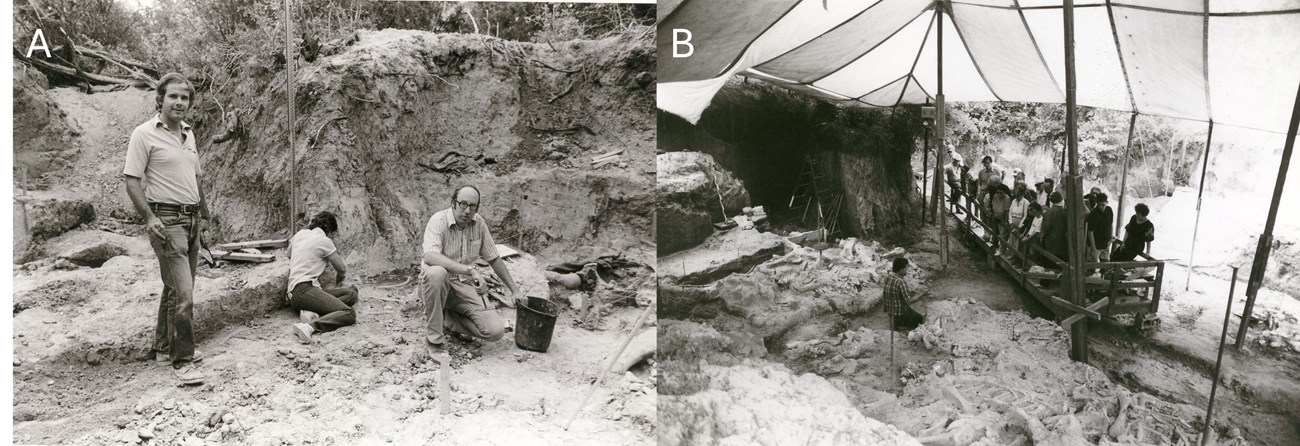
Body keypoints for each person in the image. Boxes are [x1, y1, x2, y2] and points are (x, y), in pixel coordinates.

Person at [123, 73, 209, 385]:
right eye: (173, 96)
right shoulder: (144, 134)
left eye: (184, 98)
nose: (179, 102)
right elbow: (132, 180)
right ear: (160, 99)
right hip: (167, 221)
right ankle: (182, 361)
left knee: (175, 288)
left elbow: (196, 177)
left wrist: (204, 213)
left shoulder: (188, 133)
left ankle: (163, 348)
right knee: (184, 293)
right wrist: (149, 218)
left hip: (191, 219)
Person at [419, 186, 524, 361]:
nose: (467, 211)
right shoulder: (438, 220)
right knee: (437, 272)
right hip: (436, 286)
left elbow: (493, 257)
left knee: (495, 331)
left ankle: (448, 319)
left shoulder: (479, 223)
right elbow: (430, 256)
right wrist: (470, 270)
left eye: (473, 206)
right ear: (453, 203)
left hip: (464, 286)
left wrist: (515, 290)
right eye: (463, 204)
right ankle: (434, 340)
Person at [287, 211, 359, 344]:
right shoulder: (324, 241)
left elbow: (289, 254)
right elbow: (342, 269)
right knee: (348, 313)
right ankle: (309, 326)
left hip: (295, 292)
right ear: (329, 230)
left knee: (351, 294)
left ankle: (311, 311)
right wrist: (340, 277)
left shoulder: (300, 234)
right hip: (304, 290)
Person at [881, 257, 926, 331]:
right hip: (898, 312)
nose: (907, 271)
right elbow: (909, 301)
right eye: (906, 269)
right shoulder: (901, 282)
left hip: (890, 310)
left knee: (912, 312)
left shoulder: (888, 277)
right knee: (920, 320)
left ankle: (895, 322)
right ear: (901, 269)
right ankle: (901, 326)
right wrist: (922, 293)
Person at [1039, 191, 1069, 267]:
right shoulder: (1065, 211)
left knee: (1051, 264)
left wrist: (1042, 236)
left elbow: (1046, 227)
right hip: (1062, 243)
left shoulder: (1050, 211)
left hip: (1051, 243)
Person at [1085, 192, 1115, 268]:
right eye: (1099, 205)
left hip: (1106, 244)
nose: (1101, 207)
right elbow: (1090, 232)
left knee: (1105, 266)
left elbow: (1111, 225)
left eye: (1103, 205)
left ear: (1107, 202)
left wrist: (1110, 239)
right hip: (1095, 244)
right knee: (1092, 267)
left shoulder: (1109, 210)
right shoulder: (1093, 214)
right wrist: (1094, 249)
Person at [990, 183, 1012, 253]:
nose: (999, 194)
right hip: (996, 217)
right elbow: (992, 205)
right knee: (995, 232)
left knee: (1003, 235)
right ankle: (995, 245)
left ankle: (1002, 250)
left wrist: (1005, 221)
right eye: (997, 192)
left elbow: (1006, 211)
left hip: (1003, 219)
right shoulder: (995, 196)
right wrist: (993, 215)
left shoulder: (1007, 198)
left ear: (1004, 192)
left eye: (1001, 193)